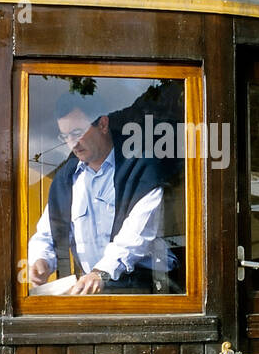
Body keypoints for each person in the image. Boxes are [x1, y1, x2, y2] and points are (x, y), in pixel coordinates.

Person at [28, 94, 168, 295]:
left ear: (102, 124)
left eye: (77, 132)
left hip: (142, 291)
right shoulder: (64, 181)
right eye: (65, 136)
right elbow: (46, 234)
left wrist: (100, 273)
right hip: (91, 292)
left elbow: (136, 236)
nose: (72, 144)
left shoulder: (141, 168)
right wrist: (40, 260)